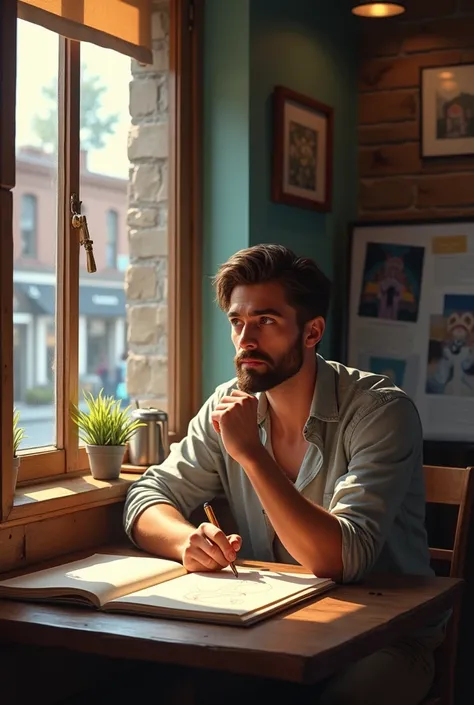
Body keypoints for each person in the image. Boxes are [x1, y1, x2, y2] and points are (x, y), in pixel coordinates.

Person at [124, 244, 444, 705]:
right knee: (160, 682)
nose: (245, 340)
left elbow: (341, 559)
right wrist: (183, 541)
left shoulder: (380, 411)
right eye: (238, 321)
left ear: (312, 331)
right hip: (272, 629)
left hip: (385, 640)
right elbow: (148, 494)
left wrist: (253, 456)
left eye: (266, 321)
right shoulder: (225, 406)